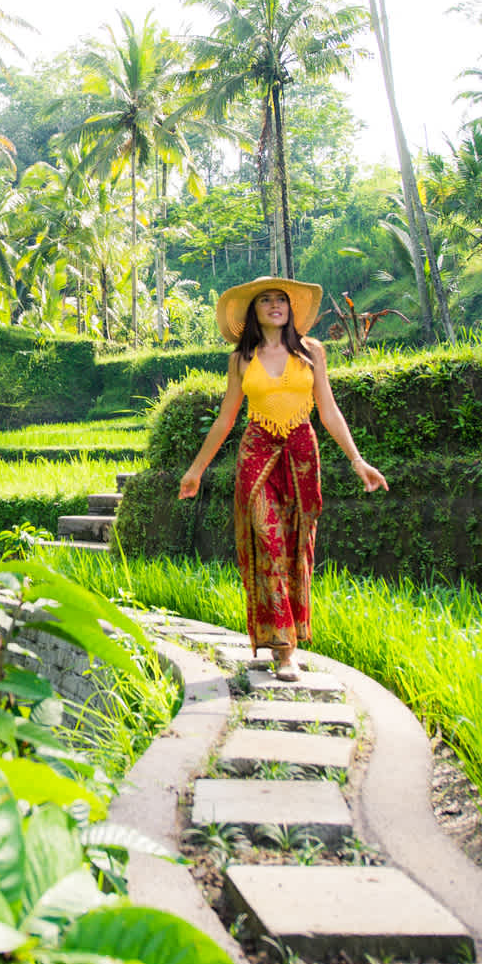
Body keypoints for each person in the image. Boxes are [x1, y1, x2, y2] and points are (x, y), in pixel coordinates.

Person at [178, 277, 388, 681]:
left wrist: (357, 460)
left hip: (302, 456)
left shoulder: (312, 352)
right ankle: (283, 649)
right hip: (256, 453)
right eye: (266, 301)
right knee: (268, 543)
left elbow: (328, 411)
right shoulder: (241, 358)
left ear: (291, 309)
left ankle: (288, 637)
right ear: (254, 312)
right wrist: (196, 470)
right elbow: (226, 418)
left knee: (296, 547)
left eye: (281, 300)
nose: (275, 306)